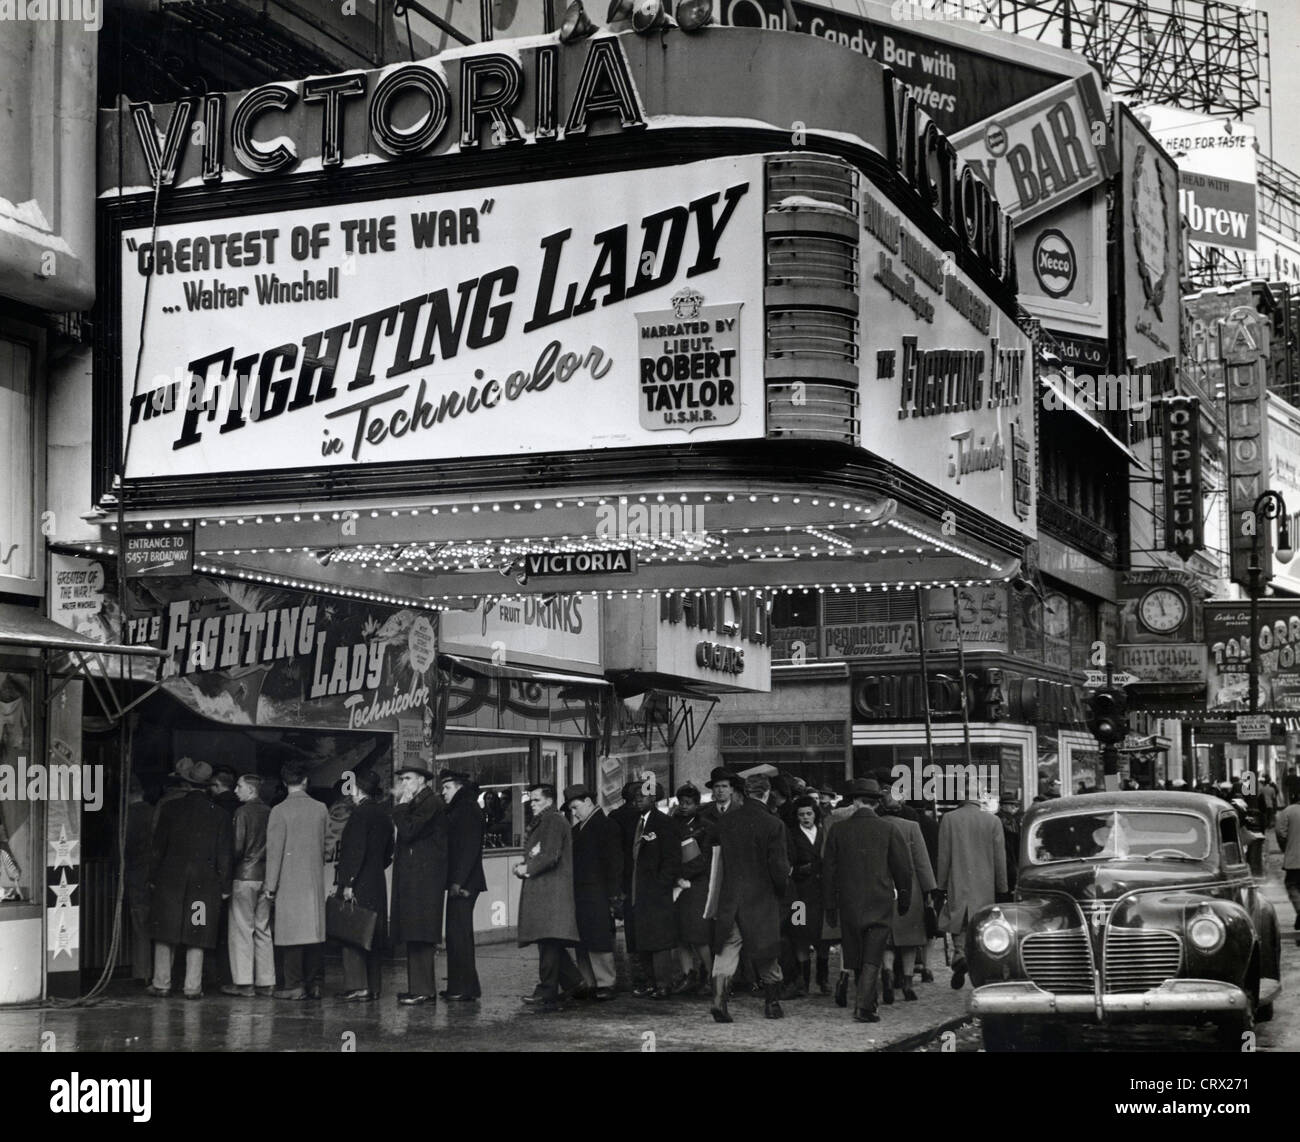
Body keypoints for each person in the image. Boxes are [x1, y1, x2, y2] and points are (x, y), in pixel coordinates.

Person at [823, 778, 912, 1024]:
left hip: (849, 901)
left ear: (854, 802)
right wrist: (905, 898)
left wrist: (830, 905)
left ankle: (867, 1001)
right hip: (879, 900)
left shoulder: (838, 831)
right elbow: (903, 870)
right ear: (876, 804)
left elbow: (828, 872)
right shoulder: (889, 829)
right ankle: (864, 1006)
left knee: (856, 950)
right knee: (874, 950)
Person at [706, 772, 791, 1022]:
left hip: (731, 895)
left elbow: (713, 856)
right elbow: (778, 868)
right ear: (767, 793)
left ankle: (719, 1000)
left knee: (727, 947)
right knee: (766, 950)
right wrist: (782, 891)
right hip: (761, 898)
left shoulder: (726, 821)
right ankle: (772, 1004)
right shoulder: (774, 824)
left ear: (743, 793)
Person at [146, 758, 233, 999]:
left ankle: (161, 983)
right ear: (208, 786)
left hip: (169, 882)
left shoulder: (170, 809)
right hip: (204, 886)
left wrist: (152, 877)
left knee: (166, 931)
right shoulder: (221, 816)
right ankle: (192, 987)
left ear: (185, 784)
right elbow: (224, 855)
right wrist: (225, 886)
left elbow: (157, 849)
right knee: (198, 932)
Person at [515, 784, 583, 1012]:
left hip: (550, 893)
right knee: (548, 941)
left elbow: (549, 855)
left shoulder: (552, 821)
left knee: (548, 941)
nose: (531, 804)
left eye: (536, 800)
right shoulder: (549, 821)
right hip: (548, 892)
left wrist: (526, 868)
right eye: (531, 800)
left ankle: (547, 990)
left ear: (549, 800)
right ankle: (573, 981)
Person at [265, 762, 329, 1001]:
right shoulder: (321, 808)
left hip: (289, 881)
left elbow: (274, 853)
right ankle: (315, 984)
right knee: (313, 933)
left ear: (284, 783)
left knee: (291, 935)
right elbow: (327, 845)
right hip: (313, 881)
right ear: (305, 781)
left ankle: (293, 985)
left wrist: (270, 887)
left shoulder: (278, 811)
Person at [937, 781, 1008, 989]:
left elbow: (944, 856)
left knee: (957, 919)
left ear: (961, 795)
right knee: (981, 924)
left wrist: (940, 886)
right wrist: (1002, 887)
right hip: (984, 884)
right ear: (980, 797)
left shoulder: (949, 819)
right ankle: (977, 964)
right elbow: (999, 858)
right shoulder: (993, 821)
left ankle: (959, 954)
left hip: (957, 880)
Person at [391, 757, 448, 1006]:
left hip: (424, 881)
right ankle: (418, 988)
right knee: (415, 933)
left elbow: (409, 831)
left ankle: (423, 989)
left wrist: (401, 806)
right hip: (418, 879)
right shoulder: (421, 802)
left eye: (408, 779)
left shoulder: (430, 803)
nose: (404, 783)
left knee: (422, 933)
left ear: (421, 780)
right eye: (402, 779)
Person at [334, 768, 393, 1001]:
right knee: (373, 934)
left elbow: (355, 851)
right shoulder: (383, 814)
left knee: (353, 932)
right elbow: (389, 851)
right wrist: (375, 868)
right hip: (377, 880)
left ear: (358, 790)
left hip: (357, 882)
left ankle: (358, 986)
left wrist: (348, 883)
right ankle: (374, 986)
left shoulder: (359, 815)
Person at [877, 788, 936, 1003]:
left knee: (887, 939)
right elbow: (922, 863)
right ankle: (909, 984)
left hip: (882, 887)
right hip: (909, 889)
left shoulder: (877, 826)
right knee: (910, 939)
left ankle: (888, 974)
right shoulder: (912, 827)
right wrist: (929, 890)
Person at [565, 784, 622, 1000]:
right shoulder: (582, 828)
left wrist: (613, 894)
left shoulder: (605, 827)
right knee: (584, 937)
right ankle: (589, 981)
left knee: (597, 937)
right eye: (571, 809)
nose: (574, 812)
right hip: (585, 891)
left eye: (576, 807)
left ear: (589, 802)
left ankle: (605, 981)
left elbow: (614, 863)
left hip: (597, 891)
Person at [627, 778, 682, 998]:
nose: (637, 801)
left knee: (658, 939)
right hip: (638, 889)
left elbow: (672, 858)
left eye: (642, 797)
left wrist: (662, 884)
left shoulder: (664, 823)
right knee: (643, 937)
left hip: (656, 890)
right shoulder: (636, 822)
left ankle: (663, 984)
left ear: (653, 798)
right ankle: (651, 982)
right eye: (635, 797)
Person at [221, 773, 274, 998]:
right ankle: (266, 981)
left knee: (242, 928)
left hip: (244, 875)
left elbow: (237, 848)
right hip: (266, 875)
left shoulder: (242, 813)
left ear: (251, 790)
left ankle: (244, 983)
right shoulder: (271, 812)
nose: (235, 790)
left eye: (239, 786)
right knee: (263, 928)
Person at [440, 768, 487, 1001]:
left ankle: (464, 988)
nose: (443, 792)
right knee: (459, 934)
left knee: (459, 935)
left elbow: (467, 849)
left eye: (447, 787)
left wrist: (458, 881)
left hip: (464, 882)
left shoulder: (466, 809)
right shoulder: (465, 807)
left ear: (459, 787)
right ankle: (462, 986)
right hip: (465, 880)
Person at [671, 783, 713, 995]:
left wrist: (681, 873)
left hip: (697, 884)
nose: (684, 807)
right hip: (676, 886)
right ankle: (688, 974)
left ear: (698, 804)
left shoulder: (705, 826)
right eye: (681, 803)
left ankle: (712, 976)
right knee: (680, 933)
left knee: (698, 933)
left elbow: (705, 859)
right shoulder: (672, 824)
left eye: (689, 803)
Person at [781, 796, 824, 999]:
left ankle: (822, 980)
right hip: (799, 896)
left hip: (822, 894)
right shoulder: (791, 835)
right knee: (800, 936)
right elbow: (789, 864)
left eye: (809, 813)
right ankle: (803, 982)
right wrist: (804, 869)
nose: (805, 818)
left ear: (815, 813)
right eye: (801, 814)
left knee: (823, 937)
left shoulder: (824, 832)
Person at [123, 774, 155, 984]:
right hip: (156, 877)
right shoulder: (155, 812)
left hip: (136, 877)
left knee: (140, 927)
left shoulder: (127, 818)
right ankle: (159, 974)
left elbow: (121, 850)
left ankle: (142, 973)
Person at [1274, 795, 1300, 946]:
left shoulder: (1288, 811)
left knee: (1293, 886)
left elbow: (1280, 832)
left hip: (1294, 860)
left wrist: (1286, 848)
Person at [995, 790, 1022, 892]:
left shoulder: (1010, 819)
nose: (1014, 807)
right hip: (1008, 861)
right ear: (1002, 805)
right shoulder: (1009, 820)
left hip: (1007, 860)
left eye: (1014, 804)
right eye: (1011, 804)